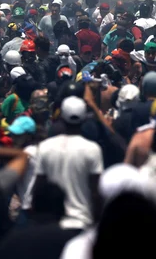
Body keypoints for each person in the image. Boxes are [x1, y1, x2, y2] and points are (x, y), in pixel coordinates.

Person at [33, 96, 103, 231]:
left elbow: (39, 185)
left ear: (61, 117)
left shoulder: (45, 147)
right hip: (83, 221)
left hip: (53, 223)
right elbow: (96, 191)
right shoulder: (92, 149)